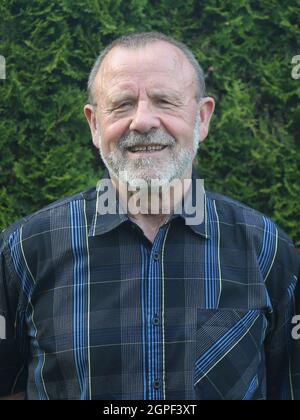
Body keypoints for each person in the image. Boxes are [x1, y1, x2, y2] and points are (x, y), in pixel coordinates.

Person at [0, 32, 299, 401]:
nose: (142, 121)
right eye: (122, 104)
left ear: (202, 118)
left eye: (165, 101)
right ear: (94, 124)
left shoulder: (266, 248)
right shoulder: (26, 249)